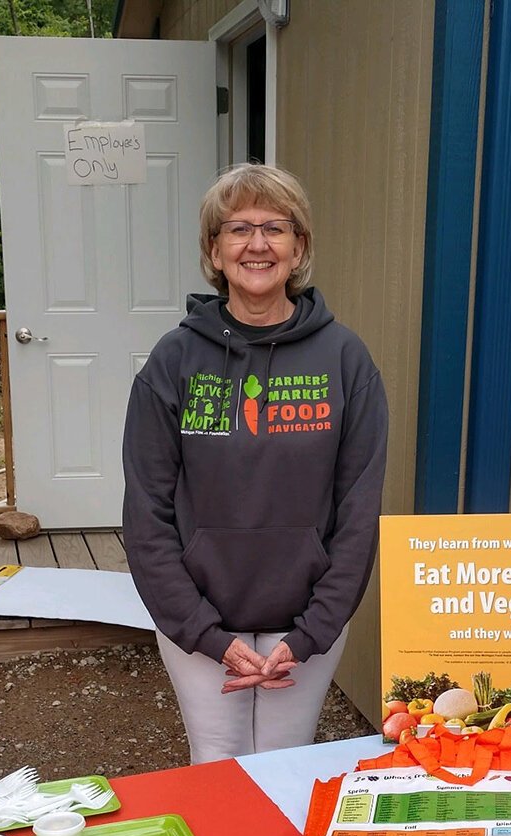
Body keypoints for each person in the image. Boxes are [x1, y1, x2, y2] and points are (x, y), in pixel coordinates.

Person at [123, 163, 388, 764]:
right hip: (199, 619)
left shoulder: (345, 360)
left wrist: (314, 630)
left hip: (308, 621)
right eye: (238, 228)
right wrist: (203, 632)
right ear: (214, 251)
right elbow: (146, 512)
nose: (258, 244)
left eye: (276, 227)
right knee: (216, 765)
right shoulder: (174, 360)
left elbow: (358, 510)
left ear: (300, 248)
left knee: (286, 765)